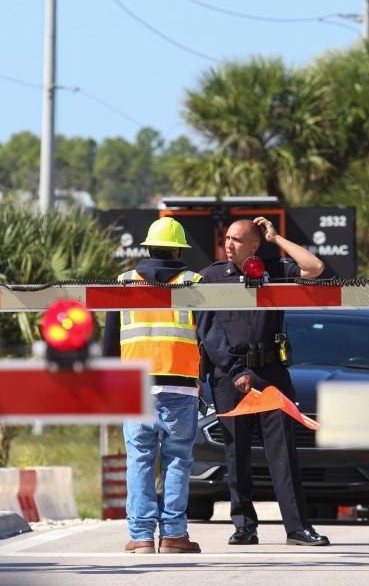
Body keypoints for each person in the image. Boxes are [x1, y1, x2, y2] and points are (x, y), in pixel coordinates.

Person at [197, 216, 330, 546]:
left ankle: (297, 528)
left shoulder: (275, 269)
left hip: (271, 372)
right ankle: (244, 525)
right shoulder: (211, 277)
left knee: (283, 452)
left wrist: (277, 237)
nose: (229, 244)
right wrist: (233, 371)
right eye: (227, 238)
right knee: (237, 454)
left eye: (237, 240)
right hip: (230, 375)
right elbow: (208, 333)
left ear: (255, 245)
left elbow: (314, 268)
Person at [102, 217, 203, 554]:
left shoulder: (124, 282)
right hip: (180, 385)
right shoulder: (193, 283)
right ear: (178, 250)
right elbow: (208, 339)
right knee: (178, 460)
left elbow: (109, 343)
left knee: (140, 460)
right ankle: (174, 535)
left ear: (147, 247)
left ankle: (141, 537)